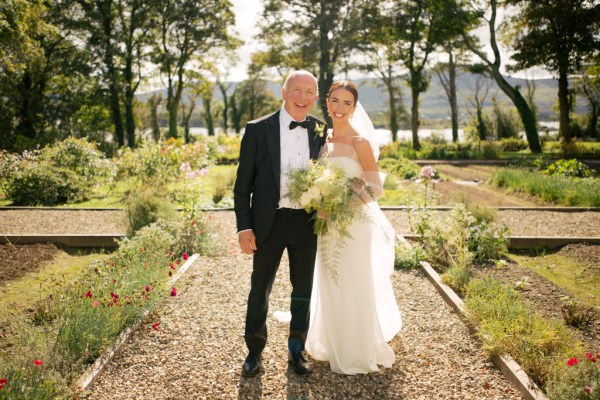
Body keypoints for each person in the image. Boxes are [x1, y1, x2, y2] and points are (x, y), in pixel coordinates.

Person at [234, 70, 327, 377]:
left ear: (315, 97)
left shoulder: (320, 131)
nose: (303, 97)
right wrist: (244, 227)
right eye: (296, 90)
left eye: (309, 92)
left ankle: (297, 349)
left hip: (305, 223)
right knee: (259, 288)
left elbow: (327, 177)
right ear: (283, 92)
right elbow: (242, 184)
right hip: (267, 223)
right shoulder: (258, 129)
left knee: (303, 289)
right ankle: (254, 351)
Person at [305, 80, 402, 374]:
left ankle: (355, 349)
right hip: (326, 225)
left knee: (353, 281)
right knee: (329, 281)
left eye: (347, 103)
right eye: (335, 101)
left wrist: (340, 206)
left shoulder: (360, 142)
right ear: (327, 102)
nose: (339, 108)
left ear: (354, 108)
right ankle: (330, 342)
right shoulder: (324, 139)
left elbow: (375, 187)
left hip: (354, 225)